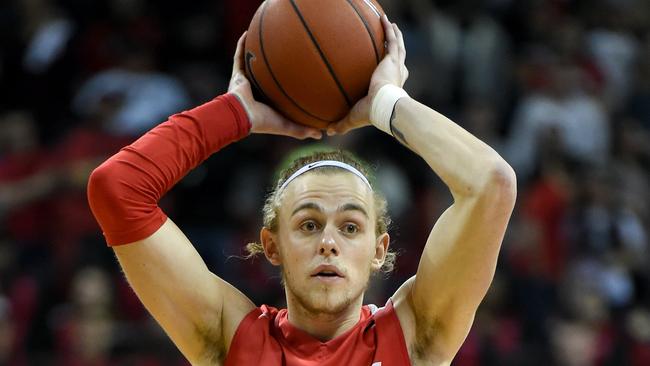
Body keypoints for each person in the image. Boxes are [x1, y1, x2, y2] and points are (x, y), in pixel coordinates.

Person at [87, 15, 516, 366]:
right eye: (309, 224)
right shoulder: (230, 339)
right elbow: (117, 188)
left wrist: (386, 102)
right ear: (271, 246)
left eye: (350, 227)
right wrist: (235, 112)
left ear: (379, 249)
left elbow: (491, 183)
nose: (328, 243)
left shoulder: (417, 335)